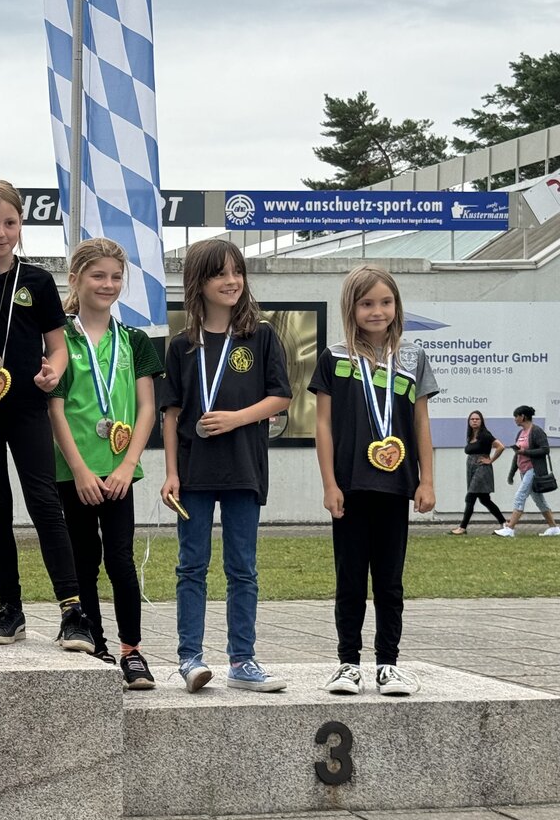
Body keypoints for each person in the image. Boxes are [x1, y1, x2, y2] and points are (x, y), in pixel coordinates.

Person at [0, 179, 91, 650]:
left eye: (10, 222)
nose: (1, 233)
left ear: (21, 223)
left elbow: (58, 347)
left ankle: (73, 612)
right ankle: (10, 609)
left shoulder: (39, 282)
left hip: (28, 408)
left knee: (45, 503)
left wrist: (54, 372)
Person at [158, 239, 291, 693]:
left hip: (243, 470)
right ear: (199, 282)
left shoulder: (261, 336)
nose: (231, 281)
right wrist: (171, 473)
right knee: (191, 566)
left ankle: (242, 661)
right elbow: (171, 414)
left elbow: (281, 396)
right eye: (220, 274)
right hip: (193, 473)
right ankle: (189, 659)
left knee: (242, 569)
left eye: (237, 272)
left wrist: (236, 418)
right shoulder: (182, 346)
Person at [311, 265, 437, 696]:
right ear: (351, 307)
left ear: (397, 306)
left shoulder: (413, 358)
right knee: (349, 579)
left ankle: (388, 664)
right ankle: (348, 664)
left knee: (389, 581)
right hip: (349, 487)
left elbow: (421, 423)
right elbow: (323, 425)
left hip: (397, 486)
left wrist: (426, 480)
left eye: (385, 302)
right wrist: (329, 484)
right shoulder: (334, 358)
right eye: (367, 303)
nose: (377, 311)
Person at [48, 238, 163, 688]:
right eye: (98, 275)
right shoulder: (59, 338)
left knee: (120, 560)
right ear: (75, 279)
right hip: (74, 472)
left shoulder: (133, 340)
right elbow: (56, 409)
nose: (108, 284)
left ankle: (132, 651)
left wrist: (127, 465)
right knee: (84, 560)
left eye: (116, 277)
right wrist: (79, 470)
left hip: (119, 473)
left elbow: (147, 408)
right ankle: (94, 644)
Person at [494, 405, 558, 537]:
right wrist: (512, 473)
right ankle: (554, 528)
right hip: (523, 470)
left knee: (520, 496)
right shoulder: (520, 433)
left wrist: (526, 452)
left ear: (522, 417)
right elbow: (518, 454)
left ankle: (510, 528)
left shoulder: (536, 431)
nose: (515, 419)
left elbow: (545, 449)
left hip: (533, 469)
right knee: (539, 500)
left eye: (516, 416)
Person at [450, 410, 506, 535]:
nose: (474, 421)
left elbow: (500, 446)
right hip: (471, 468)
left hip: (481, 468)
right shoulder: (470, 436)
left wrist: (490, 460)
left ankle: (462, 528)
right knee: (484, 499)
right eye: (472, 419)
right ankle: (504, 523)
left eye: (477, 419)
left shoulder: (485, 434)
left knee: (470, 496)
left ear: (481, 421)